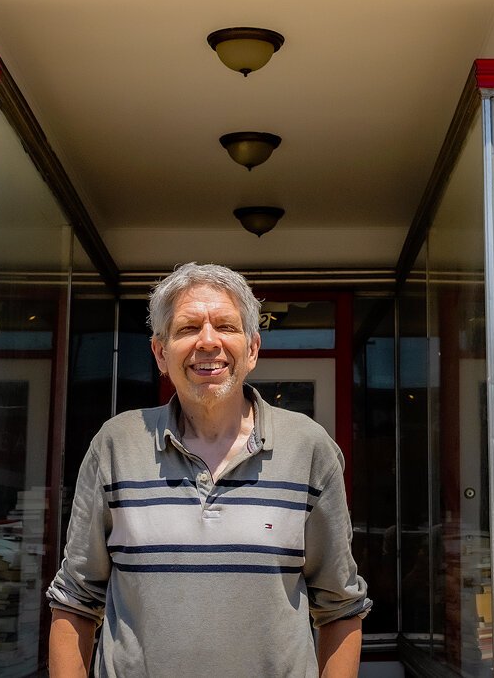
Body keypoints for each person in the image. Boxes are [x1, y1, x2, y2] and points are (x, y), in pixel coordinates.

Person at [47, 262, 370, 678]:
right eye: (187, 329)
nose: (208, 342)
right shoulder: (116, 444)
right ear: (160, 353)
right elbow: (75, 599)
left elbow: (340, 607)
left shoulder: (309, 448)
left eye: (226, 326)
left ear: (252, 349)